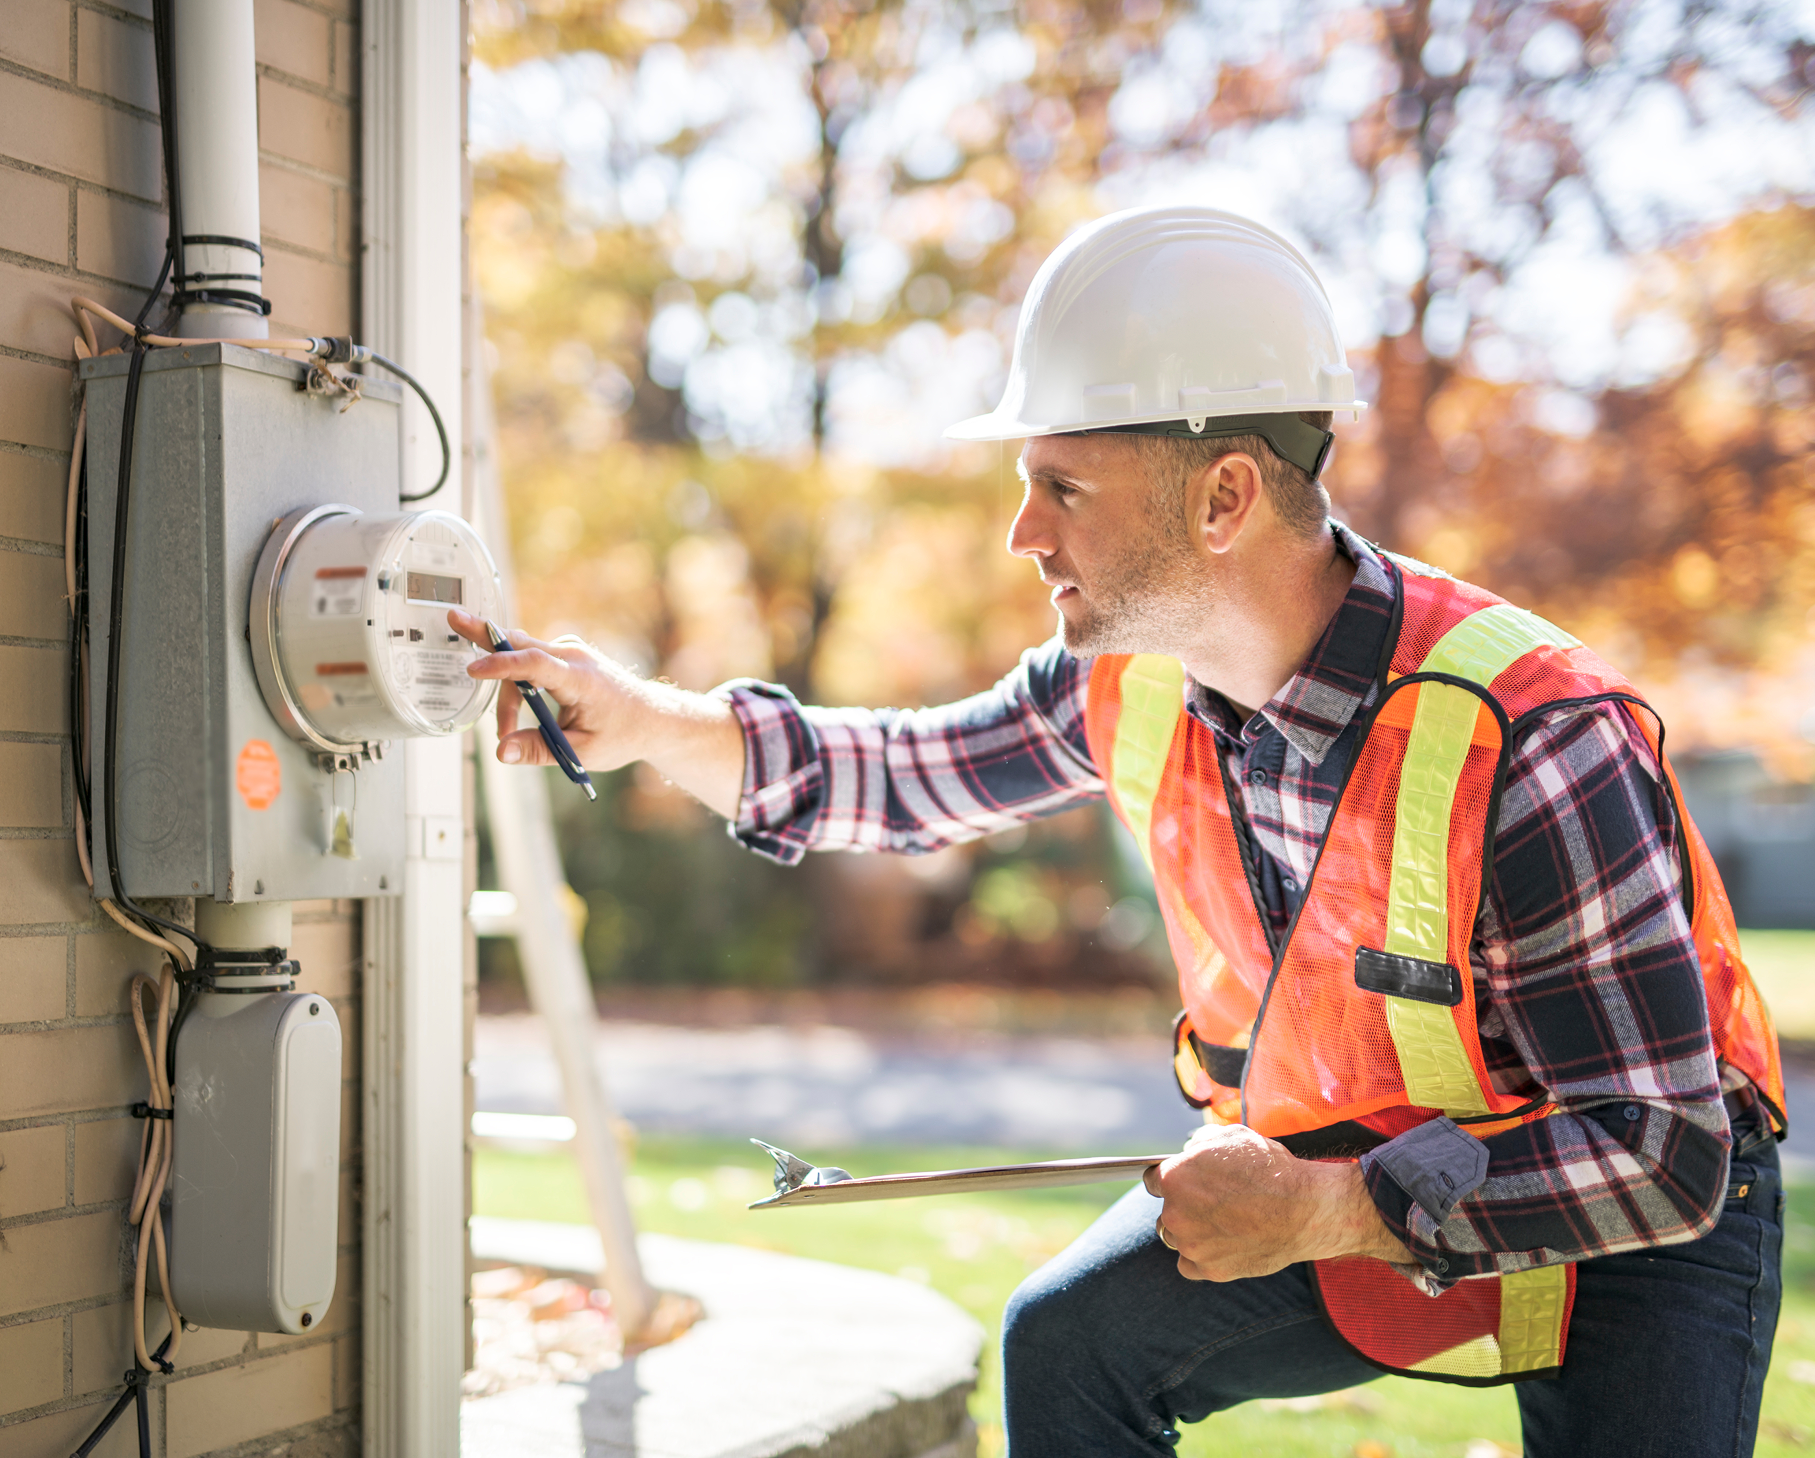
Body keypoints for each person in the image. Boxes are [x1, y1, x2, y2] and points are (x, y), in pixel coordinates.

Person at [450, 207, 1787, 1456]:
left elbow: (1655, 1149)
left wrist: (1322, 1208)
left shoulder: (1533, 733)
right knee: (1072, 1337)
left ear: (1221, 499)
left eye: (1064, 488)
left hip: (1634, 1216)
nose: (1021, 533)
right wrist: (642, 720)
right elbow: (910, 771)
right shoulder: (1129, 674)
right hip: (1358, 1152)